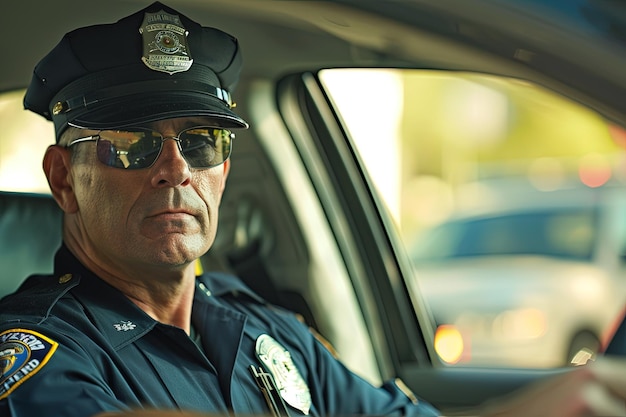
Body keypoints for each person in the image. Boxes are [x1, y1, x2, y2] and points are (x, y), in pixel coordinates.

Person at [1, 2, 626, 417]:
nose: (175, 168)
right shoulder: (36, 348)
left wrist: (571, 396)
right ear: (65, 179)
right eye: (131, 145)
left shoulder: (265, 331)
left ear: (222, 169)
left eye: (201, 141)